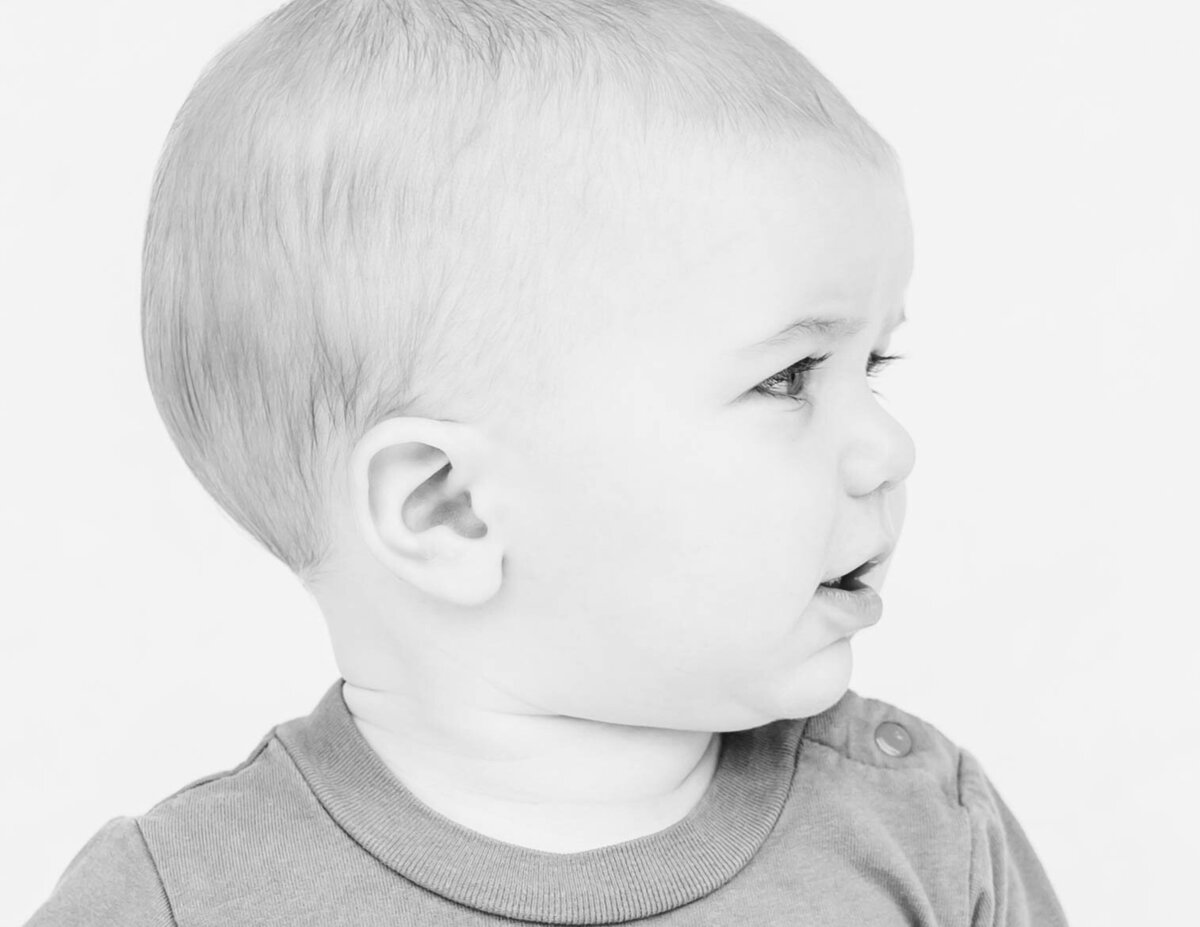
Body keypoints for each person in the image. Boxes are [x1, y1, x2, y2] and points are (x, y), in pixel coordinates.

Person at [26, 0, 1069, 923]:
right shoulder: (179, 901)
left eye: (873, 364)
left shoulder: (922, 829)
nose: (890, 447)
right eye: (789, 376)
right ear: (450, 511)